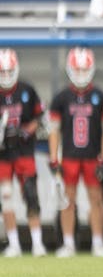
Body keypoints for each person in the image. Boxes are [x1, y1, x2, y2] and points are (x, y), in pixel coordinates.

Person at [48, 48, 103, 257]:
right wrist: (54, 157)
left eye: (85, 69)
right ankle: (68, 243)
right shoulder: (61, 98)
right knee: (68, 200)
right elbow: (54, 131)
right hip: (70, 156)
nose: (82, 74)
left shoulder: (100, 96)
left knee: (96, 199)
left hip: (93, 156)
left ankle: (98, 242)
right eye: (78, 69)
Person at [0, 49, 47, 258]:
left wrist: (26, 130)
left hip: (24, 151)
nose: (7, 77)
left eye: (9, 71)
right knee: (6, 198)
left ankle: (37, 243)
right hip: (3, 154)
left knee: (30, 195)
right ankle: (14, 244)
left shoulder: (27, 90)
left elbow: (40, 118)